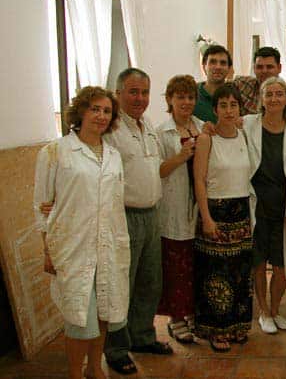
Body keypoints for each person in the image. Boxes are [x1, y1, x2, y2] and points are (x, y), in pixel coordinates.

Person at [34, 86, 129, 379]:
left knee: (103, 311)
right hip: (73, 247)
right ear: (81, 112)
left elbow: (115, 203)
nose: (101, 116)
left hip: (108, 245)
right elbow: (41, 206)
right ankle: (75, 372)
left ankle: (94, 368)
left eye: (107, 111)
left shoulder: (113, 155)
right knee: (79, 317)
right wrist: (48, 250)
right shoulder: (55, 152)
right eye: (95, 109)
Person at [103, 68, 172, 375]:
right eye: (133, 92)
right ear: (118, 93)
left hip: (151, 214)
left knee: (149, 281)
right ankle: (116, 349)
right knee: (122, 285)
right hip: (124, 216)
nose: (139, 98)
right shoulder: (111, 129)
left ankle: (142, 337)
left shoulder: (149, 125)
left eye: (144, 92)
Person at [193, 84, 253, 352]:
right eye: (223, 105)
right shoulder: (207, 138)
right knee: (216, 275)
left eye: (234, 105)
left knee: (239, 274)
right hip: (215, 211)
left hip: (241, 211)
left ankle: (238, 325)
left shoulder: (244, 135)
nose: (229, 111)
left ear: (240, 108)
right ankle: (216, 330)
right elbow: (199, 180)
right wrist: (206, 218)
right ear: (215, 109)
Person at [244, 77, 286, 334]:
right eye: (269, 94)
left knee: (282, 264)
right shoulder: (248, 124)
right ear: (262, 99)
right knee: (258, 262)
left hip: (283, 205)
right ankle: (264, 311)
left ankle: (276, 309)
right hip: (256, 204)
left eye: (279, 94)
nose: (274, 98)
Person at [156, 75, 204, 343]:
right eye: (180, 97)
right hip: (174, 206)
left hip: (199, 205)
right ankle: (176, 317)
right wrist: (180, 157)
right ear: (169, 100)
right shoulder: (161, 133)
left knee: (197, 264)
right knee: (176, 266)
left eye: (190, 97)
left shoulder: (203, 127)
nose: (186, 102)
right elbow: (157, 171)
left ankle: (193, 312)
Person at [234, 46, 286, 121]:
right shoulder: (241, 85)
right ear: (254, 68)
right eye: (259, 67)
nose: (264, 71)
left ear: (279, 68)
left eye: (269, 67)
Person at [193, 45, 232, 123]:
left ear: (229, 69)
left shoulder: (235, 94)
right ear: (204, 66)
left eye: (223, 63)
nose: (218, 67)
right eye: (213, 62)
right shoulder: (192, 94)